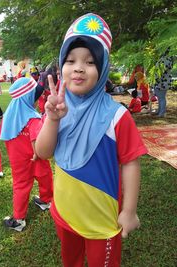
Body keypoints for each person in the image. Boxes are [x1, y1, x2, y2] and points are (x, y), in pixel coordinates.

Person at [35, 13, 148, 267]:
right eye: (71, 60)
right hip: (64, 212)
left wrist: (129, 211)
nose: (78, 67)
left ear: (103, 67)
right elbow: (43, 153)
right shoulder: (57, 107)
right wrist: (52, 119)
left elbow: (130, 163)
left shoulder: (117, 116)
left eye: (89, 62)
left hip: (101, 220)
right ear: (62, 64)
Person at [0, 77, 53, 232]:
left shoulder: (9, 116)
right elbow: (37, 143)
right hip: (37, 158)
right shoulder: (33, 119)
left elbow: (7, 137)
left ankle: (18, 218)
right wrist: (37, 152)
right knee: (45, 177)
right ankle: (46, 200)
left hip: (19, 162)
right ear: (28, 98)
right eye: (34, 98)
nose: (37, 101)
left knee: (21, 186)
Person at [154, 47, 174, 117]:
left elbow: (160, 72)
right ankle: (160, 111)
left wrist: (155, 79)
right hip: (164, 82)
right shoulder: (169, 59)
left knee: (161, 98)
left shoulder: (164, 60)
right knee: (160, 97)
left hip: (161, 82)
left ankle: (162, 113)